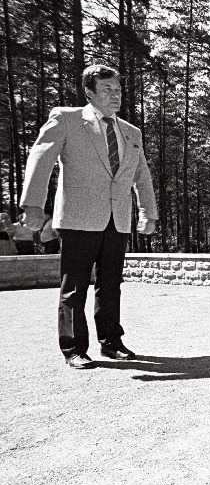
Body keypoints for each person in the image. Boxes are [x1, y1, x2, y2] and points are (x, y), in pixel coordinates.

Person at [19, 64, 158, 369]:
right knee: (75, 285)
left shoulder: (131, 132)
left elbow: (141, 175)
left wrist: (148, 211)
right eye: (107, 89)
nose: (115, 95)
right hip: (78, 218)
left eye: (118, 90)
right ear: (89, 92)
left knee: (111, 285)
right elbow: (40, 158)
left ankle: (111, 342)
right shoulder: (67, 119)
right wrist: (33, 205)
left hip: (117, 219)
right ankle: (73, 348)